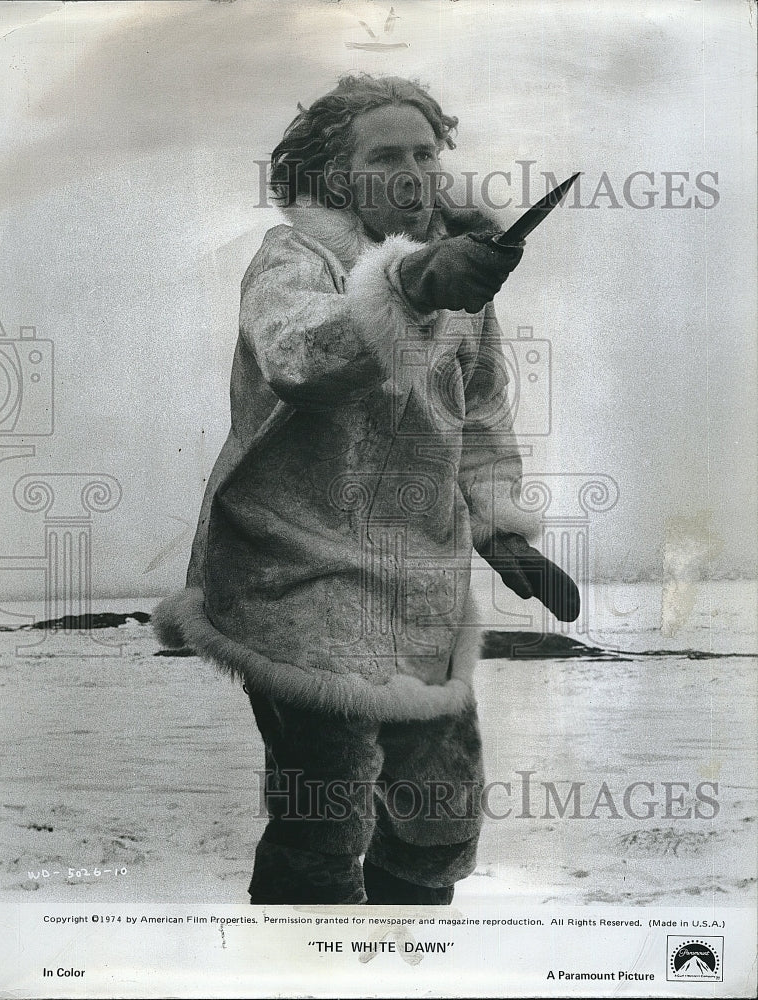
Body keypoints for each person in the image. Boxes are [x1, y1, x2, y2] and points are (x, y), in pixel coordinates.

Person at [152, 74, 579, 905]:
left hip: (418, 582)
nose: (413, 171)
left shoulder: (464, 282)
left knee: (438, 819)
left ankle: (403, 965)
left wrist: (505, 534)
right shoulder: (292, 259)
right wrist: (412, 285)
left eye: (425, 152)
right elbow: (298, 358)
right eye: (386, 156)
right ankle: (301, 968)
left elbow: (480, 416)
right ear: (339, 175)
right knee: (326, 812)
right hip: (292, 573)